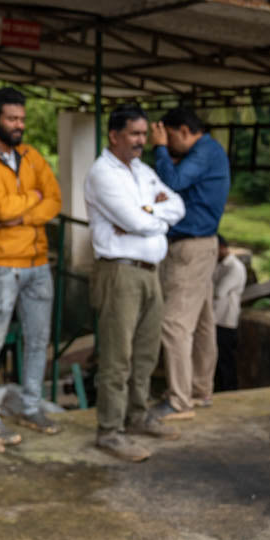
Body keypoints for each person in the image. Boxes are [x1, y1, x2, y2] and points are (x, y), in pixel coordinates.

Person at [0, 87, 63, 448]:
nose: (19, 125)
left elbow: (54, 200)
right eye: (12, 119)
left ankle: (30, 406)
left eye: (21, 119)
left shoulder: (32, 157)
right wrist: (28, 203)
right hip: (1, 265)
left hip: (38, 264)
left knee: (38, 340)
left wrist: (24, 210)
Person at [84, 105, 186, 462]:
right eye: (134, 134)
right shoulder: (102, 174)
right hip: (120, 271)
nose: (142, 141)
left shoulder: (142, 171)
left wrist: (146, 214)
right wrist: (147, 215)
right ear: (114, 136)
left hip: (150, 270)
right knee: (117, 355)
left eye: (144, 134)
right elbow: (133, 219)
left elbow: (177, 206)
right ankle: (109, 431)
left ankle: (137, 416)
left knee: (146, 352)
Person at [148, 107, 230, 420]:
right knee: (203, 322)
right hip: (201, 245)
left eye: (168, 138)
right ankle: (199, 389)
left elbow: (174, 179)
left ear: (183, 131)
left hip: (191, 248)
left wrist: (158, 150)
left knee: (173, 324)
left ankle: (179, 400)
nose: (167, 146)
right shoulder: (209, 151)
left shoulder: (204, 151)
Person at [212, 235, 247, 393]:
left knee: (226, 361)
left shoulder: (235, 267)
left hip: (226, 321)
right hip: (216, 319)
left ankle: (229, 391)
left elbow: (219, 292)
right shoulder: (219, 265)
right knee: (217, 361)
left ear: (222, 248)